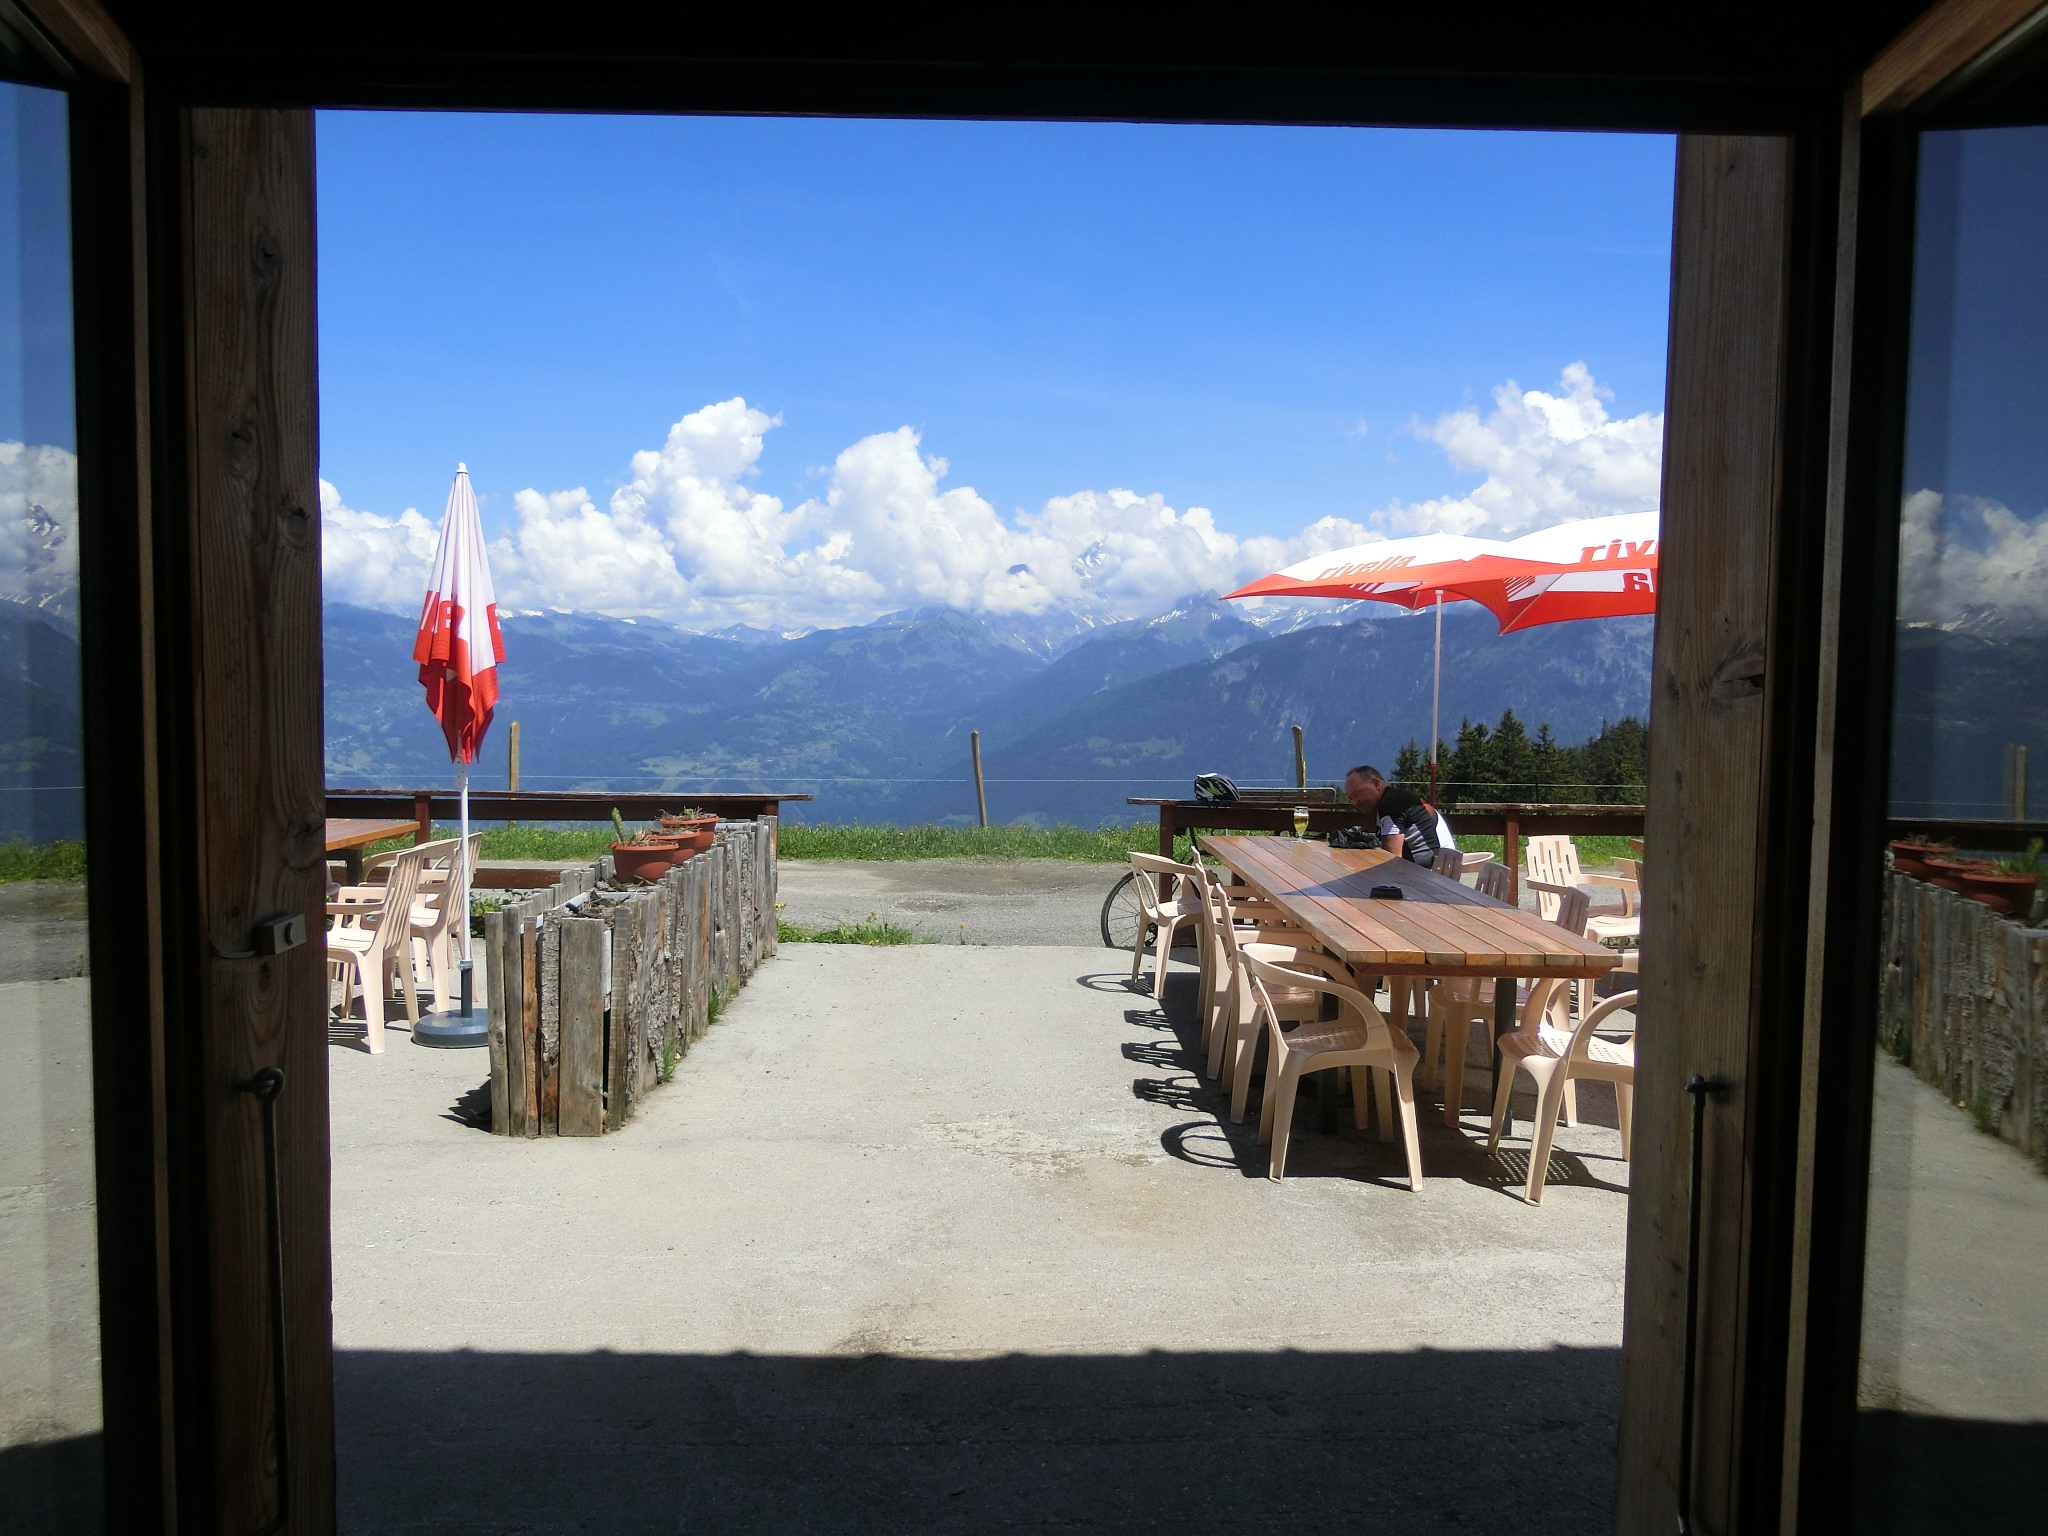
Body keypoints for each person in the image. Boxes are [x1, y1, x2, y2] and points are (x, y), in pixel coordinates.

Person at [1337, 764, 1454, 869]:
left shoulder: (1391, 805)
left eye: (1356, 794)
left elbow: (1390, 858)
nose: (1355, 803)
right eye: (1351, 798)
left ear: (1376, 784)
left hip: (1427, 875)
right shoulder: (1392, 799)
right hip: (1432, 869)